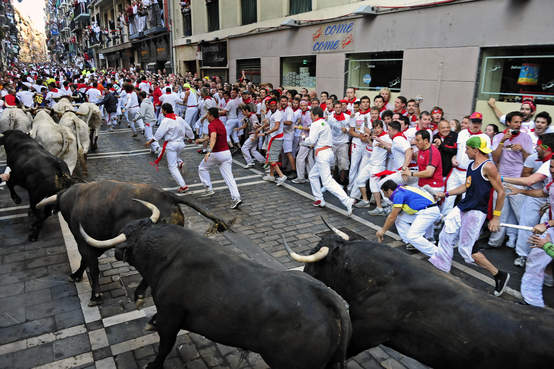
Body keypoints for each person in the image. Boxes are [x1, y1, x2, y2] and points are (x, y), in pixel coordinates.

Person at [429, 136, 510, 297]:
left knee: (467, 252)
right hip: (463, 206)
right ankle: (442, 266)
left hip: (476, 211)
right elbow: (466, 186)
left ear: (475, 149)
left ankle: (499, 274)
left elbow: (501, 192)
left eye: (467, 149)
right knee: (447, 230)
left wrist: (496, 217)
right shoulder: (471, 165)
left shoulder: (488, 167)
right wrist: (445, 193)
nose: (464, 152)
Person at [488, 111, 532, 251]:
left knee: (521, 214)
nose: (518, 125)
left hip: (517, 180)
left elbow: (530, 161)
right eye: (516, 122)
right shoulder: (499, 136)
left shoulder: (526, 137)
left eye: (520, 122)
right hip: (500, 179)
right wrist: (502, 141)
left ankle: (525, 247)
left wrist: (523, 150)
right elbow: (495, 158)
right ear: (508, 123)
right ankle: (494, 242)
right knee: (500, 212)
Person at [303, 107, 354, 214]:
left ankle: (347, 200)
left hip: (322, 154)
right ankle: (319, 199)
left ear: (316, 115)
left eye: (311, 115)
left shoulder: (316, 124)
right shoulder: (324, 123)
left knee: (327, 182)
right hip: (326, 153)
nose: (310, 117)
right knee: (313, 175)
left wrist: (303, 139)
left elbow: (311, 140)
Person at [442, 112, 490, 215]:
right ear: (469, 122)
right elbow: (457, 151)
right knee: (448, 198)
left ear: (481, 123)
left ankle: (461, 223)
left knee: (467, 199)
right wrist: (453, 158)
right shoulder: (462, 133)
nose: (476, 124)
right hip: (456, 170)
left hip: (470, 173)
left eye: (478, 122)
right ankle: (444, 221)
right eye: (473, 122)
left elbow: (486, 156)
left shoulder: (485, 137)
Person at [376, 180, 440, 257]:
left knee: (413, 236)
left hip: (428, 212)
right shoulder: (403, 188)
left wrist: (382, 231)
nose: (385, 196)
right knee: (399, 218)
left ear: (389, 190)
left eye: (384, 193)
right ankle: (411, 242)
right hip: (425, 210)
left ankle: (439, 255)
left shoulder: (398, 194)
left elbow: (392, 217)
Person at [196, 107, 242, 209]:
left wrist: (208, 151)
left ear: (211, 115)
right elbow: (214, 135)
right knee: (229, 178)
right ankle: (236, 197)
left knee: (202, 168)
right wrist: (202, 140)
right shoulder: (220, 123)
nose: (207, 116)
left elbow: (213, 137)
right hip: (226, 153)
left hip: (217, 154)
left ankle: (208, 188)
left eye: (207, 115)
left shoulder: (211, 124)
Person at [145, 103, 193, 193]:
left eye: (162, 110)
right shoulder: (179, 118)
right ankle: (180, 162)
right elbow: (188, 128)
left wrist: (151, 141)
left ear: (165, 111)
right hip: (181, 144)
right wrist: (191, 137)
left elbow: (159, 133)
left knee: (172, 167)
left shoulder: (166, 120)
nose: (162, 112)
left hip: (172, 145)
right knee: (175, 156)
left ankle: (183, 186)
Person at [353, 120, 390, 213]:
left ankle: (379, 207)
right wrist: (369, 139)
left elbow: (392, 148)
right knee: (360, 179)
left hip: (378, 166)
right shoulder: (376, 137)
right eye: (375, 128)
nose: (377, 130)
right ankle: (365, 201)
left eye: (378, 127)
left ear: (382, 127)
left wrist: (382, 144)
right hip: (371, 164)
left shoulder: (386, 137)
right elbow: (374, 148)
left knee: (374, 186)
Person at [261, 99, 287, 185]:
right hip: (273, 138)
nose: (272, 107)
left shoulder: (278, 114)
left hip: (277, 139)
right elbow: (270, 124)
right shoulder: (272, 113)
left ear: (277, 105)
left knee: (272, 159)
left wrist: (266, 133)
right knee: (272, 157)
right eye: (270, 106)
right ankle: (271, 175)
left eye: (273, 105)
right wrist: (261, 128)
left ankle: (281, 176)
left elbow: (276, 127)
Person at [328, 101, 351, 184]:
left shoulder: (347, 117)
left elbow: (351, 128)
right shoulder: (330, 117)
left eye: (339, 107)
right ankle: (332, 181)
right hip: (333, 143)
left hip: (343, 143)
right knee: (332, 162)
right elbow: (328, 129)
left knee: (343, 163)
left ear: (342, 108)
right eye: (336, 107)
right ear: (334, 108)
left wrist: (347, 130)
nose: (338, 109)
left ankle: (342, 181)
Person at [292, 100, 314, 184]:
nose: (302, 107)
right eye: (301, 105)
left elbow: (310, 128)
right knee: (309, 159)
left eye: (304, 105)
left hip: (307, 139)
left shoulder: (308, 114)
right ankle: (311, 177)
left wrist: (299, 127)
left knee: (300, 158)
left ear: (307, 105)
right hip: (305, 138)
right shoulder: (302, 113)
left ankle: (301, 177)